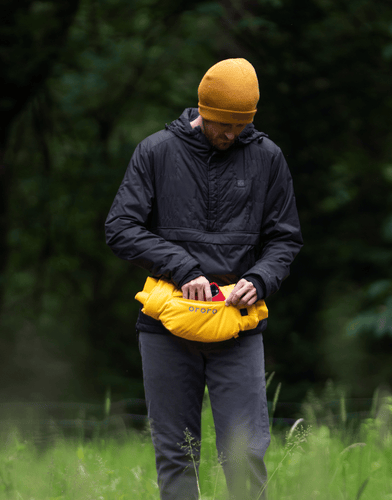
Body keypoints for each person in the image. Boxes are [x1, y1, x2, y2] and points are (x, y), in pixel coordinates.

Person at [105, 58, 302, 500]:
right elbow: (120, 228)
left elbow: (285, 239)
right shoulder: (156, 152)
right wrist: (182, 267)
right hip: (167, 325)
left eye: (240, 126)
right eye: (222, 124)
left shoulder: (267, 157)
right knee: (177, 455)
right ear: (202, 110)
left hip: (238, 325)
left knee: (244, 454)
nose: (230, 135)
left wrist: (260, 278)